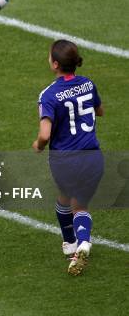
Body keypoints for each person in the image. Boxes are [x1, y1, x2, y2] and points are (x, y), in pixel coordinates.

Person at [33, 39, 104, 275]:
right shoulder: (88, 84)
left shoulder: (48, 95)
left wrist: (39, 144)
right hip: (93, 158)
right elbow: (99, 111)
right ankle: (71, 244)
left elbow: (45, 133)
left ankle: (82, 242)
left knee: (74, 204)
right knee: (68, 200)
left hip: (65, 161)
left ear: (55, 64)